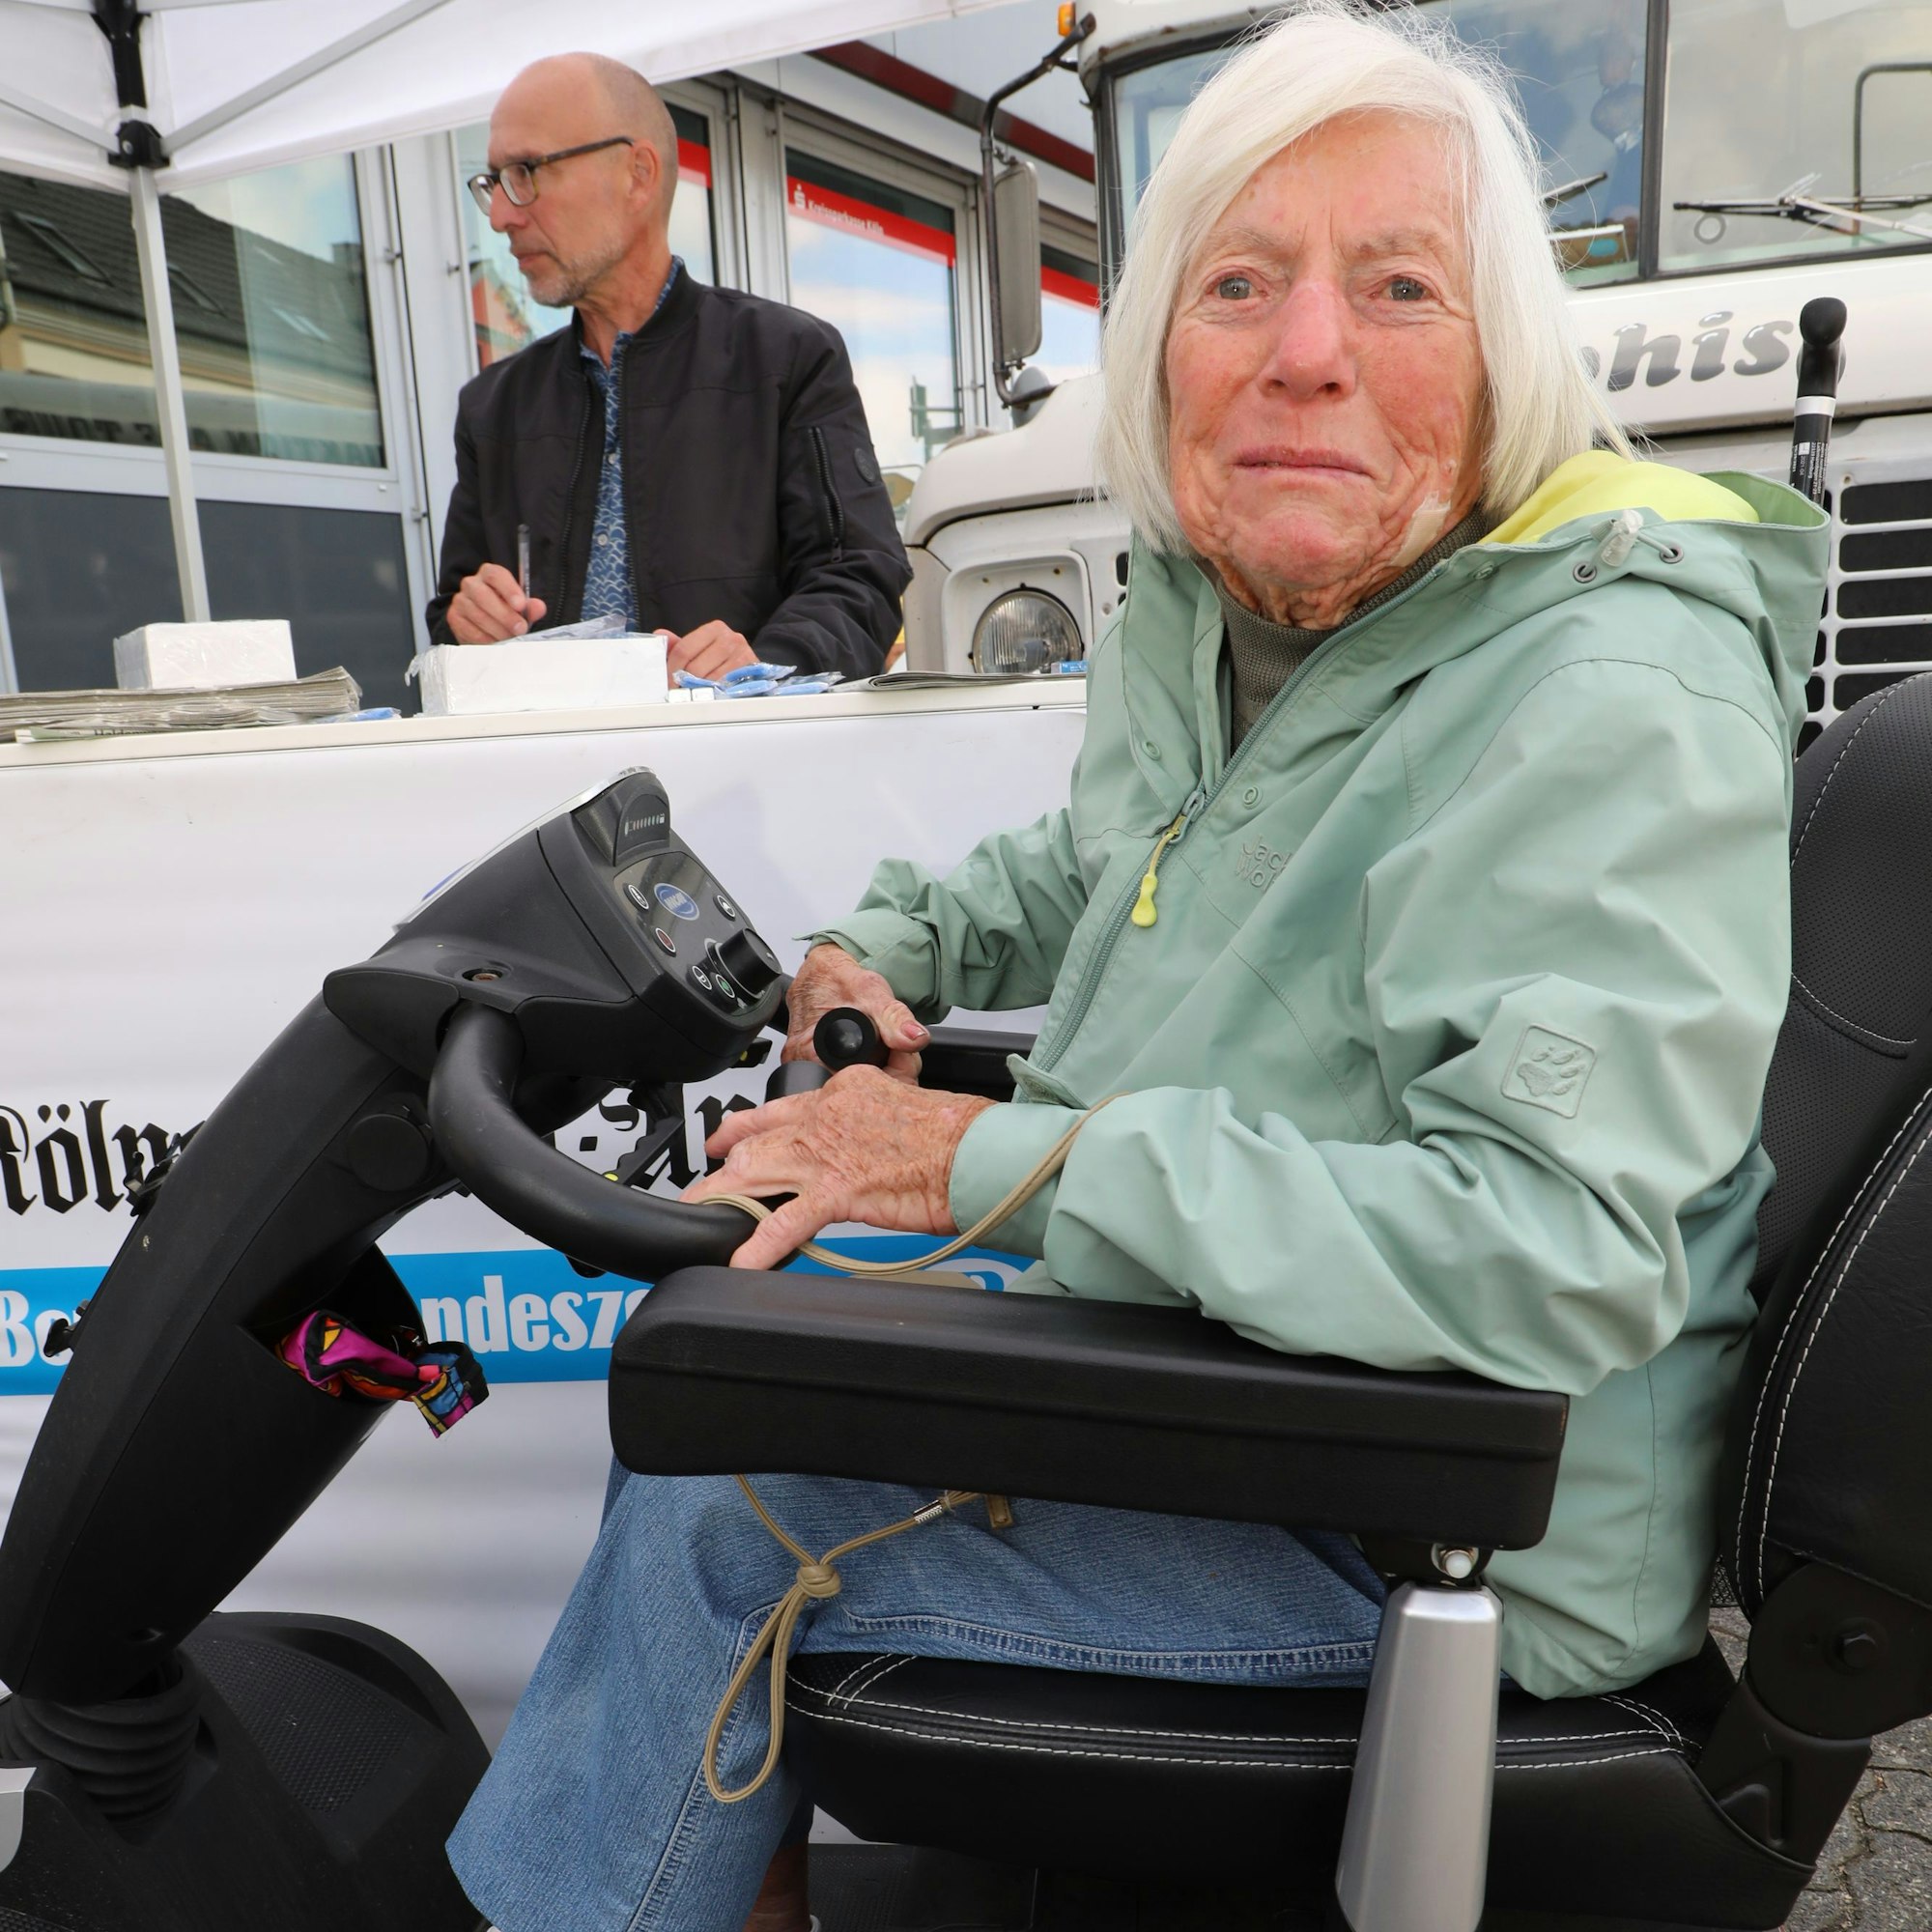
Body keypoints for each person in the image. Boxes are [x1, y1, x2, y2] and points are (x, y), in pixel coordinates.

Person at [447, 4, 1828, 1927]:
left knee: (725, 1505)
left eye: (1396, 285)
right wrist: (895, 943)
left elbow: (1542, 1259)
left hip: (1432, 1526)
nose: (1306, 353)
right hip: (1246, 1378)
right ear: (1157, 343)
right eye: (1238, 282)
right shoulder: (1262, 608)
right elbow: (1122, 853)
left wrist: (964, 1164)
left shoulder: (1606, 694)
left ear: (1504, 353)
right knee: (723, 1363)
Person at [426, 54, 909, 682]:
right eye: (493, 182)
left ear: (638, 174)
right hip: (556, 775)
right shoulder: (491, 408)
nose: (500, 216)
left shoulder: (789, 359)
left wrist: (768, 659)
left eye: (526, 172)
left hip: (740, 767)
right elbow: (448, 621)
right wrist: (465, 622)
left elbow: (861, 578)